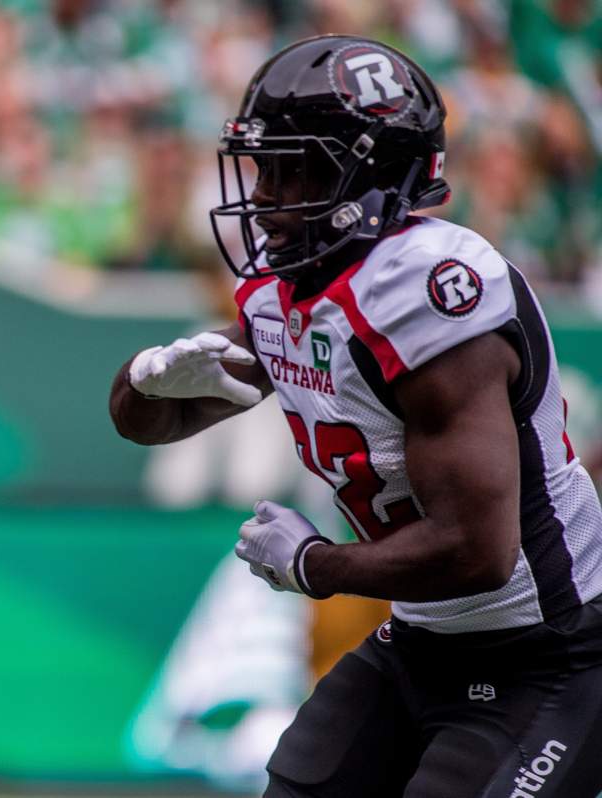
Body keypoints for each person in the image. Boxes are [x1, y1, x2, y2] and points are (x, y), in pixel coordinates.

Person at [110, 35, 602, 797]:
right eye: (262, 167)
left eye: (292, 170)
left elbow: (479, 551)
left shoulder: (434, 294)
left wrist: (316, 565)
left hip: (547, 655)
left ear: (371, 174)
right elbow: (150, 423)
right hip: (422, 640)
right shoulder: (289, 292)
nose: (266, 196)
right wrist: (144, 381)